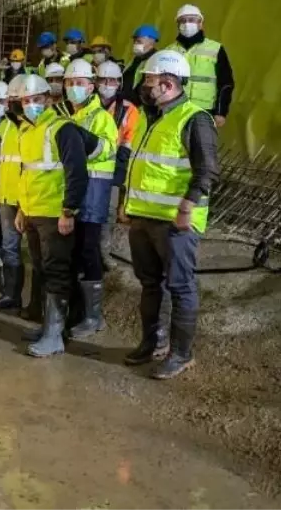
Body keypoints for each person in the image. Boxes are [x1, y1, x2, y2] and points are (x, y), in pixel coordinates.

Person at [122, 50, 219, 379]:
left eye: (149, 81)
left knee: (181, 286)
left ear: (167, 82)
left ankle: (181, 354)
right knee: (150, 284)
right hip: (143, 216)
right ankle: (151, 344)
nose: (144, 87)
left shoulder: (195, 119)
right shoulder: (152, 117)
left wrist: (187, 206)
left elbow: (206, 171)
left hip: (175, 221)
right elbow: (139, 165)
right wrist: (127, 203)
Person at [13, 74, 91, 357]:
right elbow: (27, 173)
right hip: (33, 213)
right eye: (25, 101)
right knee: (44, 270)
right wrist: (22, 209)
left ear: (48, 99)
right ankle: (51, 326)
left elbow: (77, 173)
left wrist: (68, 210)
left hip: (55, 214)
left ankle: (55, 335)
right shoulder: (26, 131)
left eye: (36, 100)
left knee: (58, 272)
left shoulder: (62, 129)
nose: (30, 105)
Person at [61, 60, 119, 340]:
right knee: (73, 255)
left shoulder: (101, 117)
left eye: (80, 83)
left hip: (93, 193)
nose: (74, 88)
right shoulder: (69, 116)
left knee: (89, 252)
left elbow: (108, 150)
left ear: (92, 85)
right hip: (73, 193)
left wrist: (82, 141)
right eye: (70, 83)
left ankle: (94, 317)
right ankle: (76, 314)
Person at [96, 60, 142, 272]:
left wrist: (119, 171)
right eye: (103, 80)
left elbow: (129, 141)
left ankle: (103, 253)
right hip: (88, 167)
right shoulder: (88, 106)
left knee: (108, 213)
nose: (107, 84)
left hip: (113, 167)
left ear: (119, 82)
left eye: (112, 80)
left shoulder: (129, 110)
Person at [0, 78, 25, 312]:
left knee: (39, 256)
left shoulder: (36, 127)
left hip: (31, 200)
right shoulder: (5, 127)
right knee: (10, 247)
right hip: (6, 198)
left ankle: (37, 306)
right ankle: (11, 296)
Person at [166, 4, 233, 127]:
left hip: (204, 111)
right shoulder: (169, 51)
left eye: (192, 20)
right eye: (183, 20)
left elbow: (226, 83)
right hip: (173, 110)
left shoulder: (215, 49)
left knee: (201, 145)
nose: (187, 24)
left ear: (200, 23)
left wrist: (221, 112)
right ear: (178, 24)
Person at [122, 24, 160, 105]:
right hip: (126, 104)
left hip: (138, 107)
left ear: (151, 43)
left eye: (139, 41)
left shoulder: (155, 61)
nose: (135, 44)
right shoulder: (136, 59)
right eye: (134, 41)